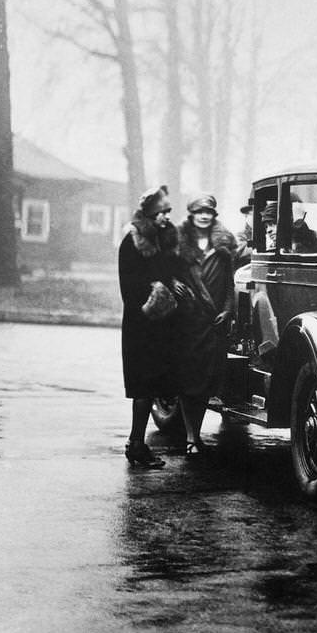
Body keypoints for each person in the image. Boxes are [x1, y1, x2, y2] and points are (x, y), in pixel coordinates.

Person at [118, 185, 180, 469]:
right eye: (162, 212)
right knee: (143, 387)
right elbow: (130, 289)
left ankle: (137, 443)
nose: (166, 216)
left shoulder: (163, 241)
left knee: (150, 386)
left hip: (158, 326)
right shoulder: (133, 242)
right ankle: (136, 445)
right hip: (140, 324)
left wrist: (172, 284)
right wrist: (157, 292)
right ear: (150, 213)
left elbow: (168, 273)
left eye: (168, 211)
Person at [173, 194, 239, 454]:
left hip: (213, 323)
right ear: (191, 214)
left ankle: (195, 435)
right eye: (199, 211)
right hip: (187, 320)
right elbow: (164, 270)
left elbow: (230, 283)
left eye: (208, 212)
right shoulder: (178, 242)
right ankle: (190, 437)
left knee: (204, 382)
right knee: (187, 379)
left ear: (214, 216)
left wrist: (227, 310)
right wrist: (171, 282)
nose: (204, 216)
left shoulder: (223, 245)